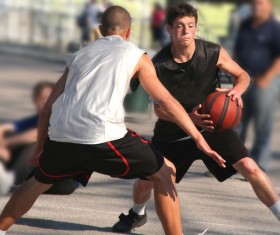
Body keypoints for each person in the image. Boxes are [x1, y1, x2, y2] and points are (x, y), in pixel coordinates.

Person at [0, 6, 225, 235]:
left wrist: (40, 146)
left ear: (100, 30)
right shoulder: (136, 54)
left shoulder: (79, 56)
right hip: (103, 136)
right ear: (129, 32)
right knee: (167, 171)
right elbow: (165, 100)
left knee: (38, 180)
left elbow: (48, 106)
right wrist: (199, 138)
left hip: (61, 135)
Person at [112, 3, 280, 233]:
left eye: (191, 25)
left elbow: (243, 75)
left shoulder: (213, 52)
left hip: (212, 127)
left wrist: (235, 92)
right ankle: (136, 214)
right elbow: (160, 110)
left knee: (251, 168)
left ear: (196, 27)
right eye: (180, 26)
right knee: (146, 180)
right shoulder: (157, 64)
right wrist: (188, 117)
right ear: (169, 29)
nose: (186, 31)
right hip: (174, 134)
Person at [0, 81, 78, 195]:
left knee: (34, 144)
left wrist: (6, 143)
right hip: (44, 176)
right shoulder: (38, 118)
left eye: (48, 97)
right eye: (40, 98)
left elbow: (35, 134)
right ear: (35, 101)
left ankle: (9, 176)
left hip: (63, 181)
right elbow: (5, 128)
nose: (44, 101)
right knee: (14, 136)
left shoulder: (61, 117)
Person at [235, 0, 280, 171]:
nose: (257, 7)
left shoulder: (275, 28)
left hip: (265, 83)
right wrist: (236, 74)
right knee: (236, 122)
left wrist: (267, 78)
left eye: (261, 4)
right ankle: (232, 163)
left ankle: (259, 164)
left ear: (269, 6)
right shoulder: (245, 25)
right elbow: (238, 52)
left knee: (263, 124)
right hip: (244, 82)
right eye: (254, 4)